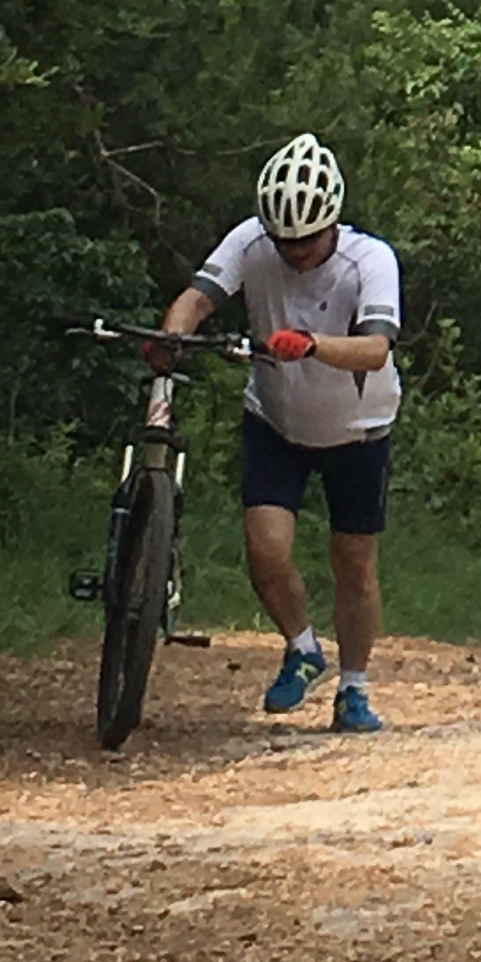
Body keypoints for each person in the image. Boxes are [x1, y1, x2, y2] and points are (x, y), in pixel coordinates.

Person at [161, 135, 404, 733]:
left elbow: (376, 349)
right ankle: (301, 647)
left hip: (358, 429)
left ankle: (354, 688)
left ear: (332, 224)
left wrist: (313, 345)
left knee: (354, 562)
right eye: (282, 240)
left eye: (306, 240)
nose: (293, 251)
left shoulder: (371, 260)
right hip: (276, 420)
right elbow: (197, 299)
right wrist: (171, 338)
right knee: (265, 549)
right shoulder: (250, 241)